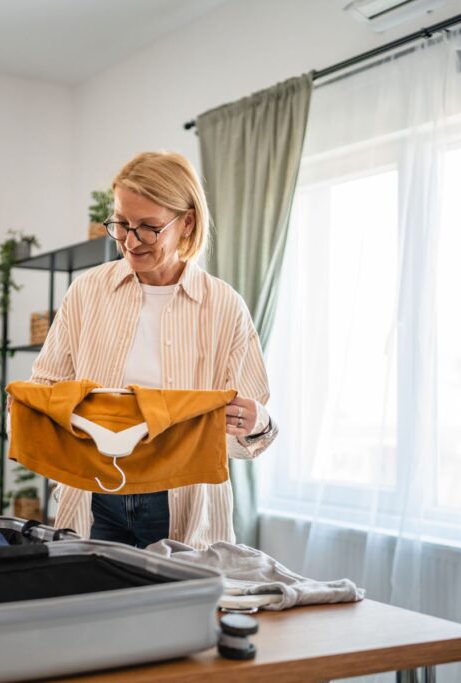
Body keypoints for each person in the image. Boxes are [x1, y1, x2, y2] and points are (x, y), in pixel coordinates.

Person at [29, 151, 277, 549]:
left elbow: (247, 434)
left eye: (148, 228)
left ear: (187, 223)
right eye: (122, 224)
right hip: (96, 494)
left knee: (176, 609)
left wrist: (257, 421)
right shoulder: (87, 291)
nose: (130, 241)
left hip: (183, 501)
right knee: (92, 603)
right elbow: (46, 384)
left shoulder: (224, 305)